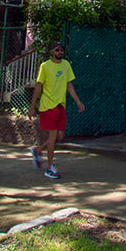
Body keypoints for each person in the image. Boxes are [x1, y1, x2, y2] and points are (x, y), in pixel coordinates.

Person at [28, 40, 84, 179]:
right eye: (57, 50)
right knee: (52, 137)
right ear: (52, 52)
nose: (60, 52)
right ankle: (50, 167)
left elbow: (69, 84)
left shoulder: (66, 65)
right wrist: (32, 107)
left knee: (59, 137)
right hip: (48, 106)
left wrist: (78, 101)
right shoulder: (45, 66)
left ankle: (38, 150)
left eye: (61, 50)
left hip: (60, 105)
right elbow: (38, 86)